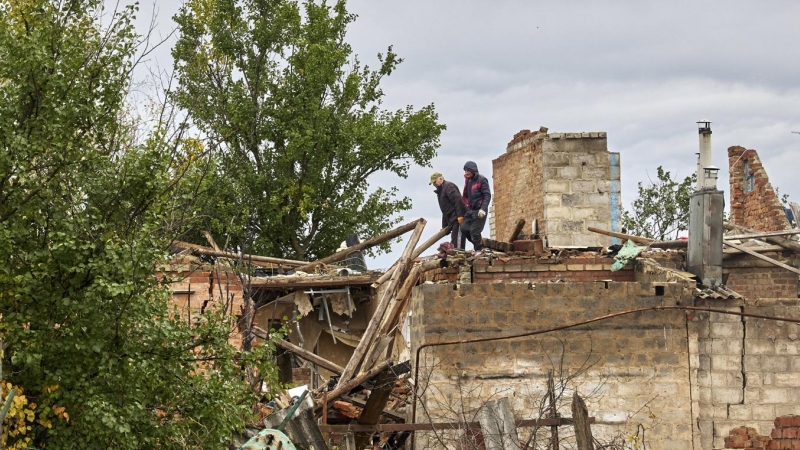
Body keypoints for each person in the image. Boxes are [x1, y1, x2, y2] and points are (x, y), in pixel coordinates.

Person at [430, 171, 467, 248]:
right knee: (454, 241)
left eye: (434, 182)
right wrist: (444, 226)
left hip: (458, 218)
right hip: (452, 220)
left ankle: (459, 256)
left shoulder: (449, 186)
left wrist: (460, 216)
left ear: (440, 179)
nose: (434, 184)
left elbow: (458, 201)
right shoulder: (440, 192)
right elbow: (444, 210)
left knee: (457, 242)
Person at [461, 161, 491, 251]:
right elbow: (466, 196)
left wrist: (483, 209)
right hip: (471, 210)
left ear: (473, 170)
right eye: (465, 171)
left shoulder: (482, 180)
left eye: (467, 170)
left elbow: (487, 195)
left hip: (479, 210)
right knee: (464, 228)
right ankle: (479, 245)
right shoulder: (468, 181)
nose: (466, 173)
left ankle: (479, 249)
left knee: (474, 231)